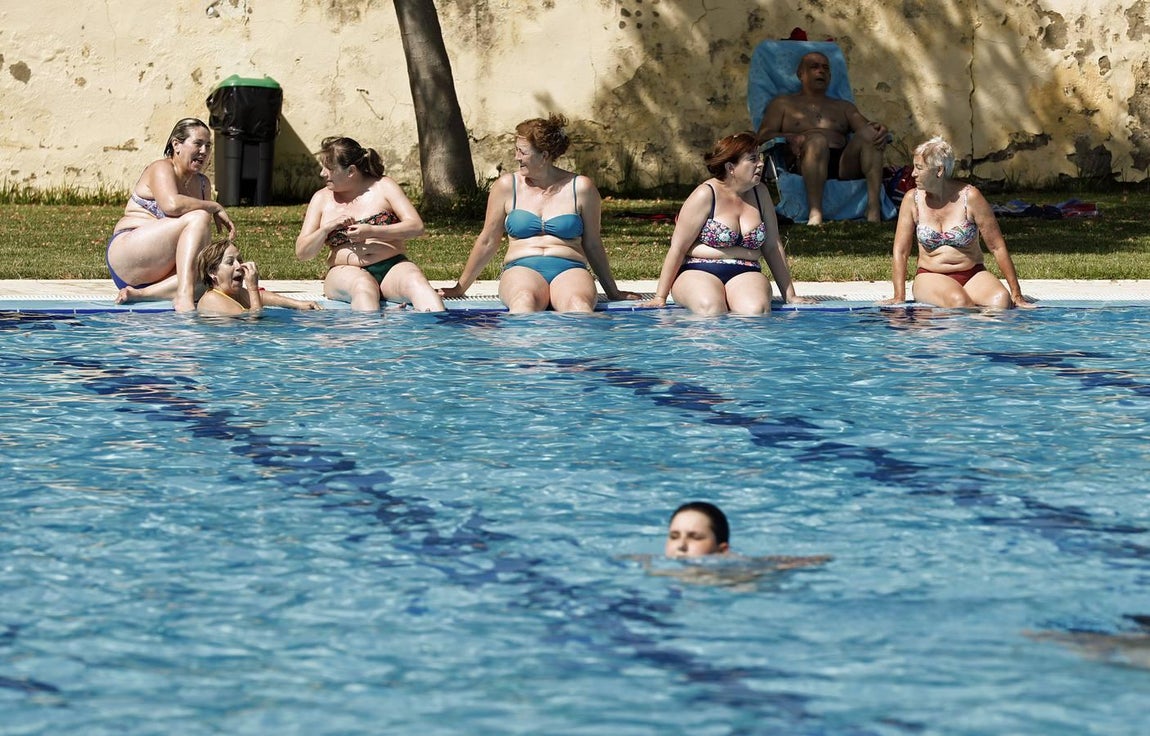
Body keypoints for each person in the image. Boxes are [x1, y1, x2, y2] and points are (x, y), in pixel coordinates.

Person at [439, 114, 640, 313]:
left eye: (522, 152)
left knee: (578, 306)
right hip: (521, 269)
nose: (516, 157)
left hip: (570, 269)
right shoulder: (507, 186)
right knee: (524, 302)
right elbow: (488, 241)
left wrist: (613, 292)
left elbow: (593, 244)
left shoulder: (581, 188)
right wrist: (460, 287)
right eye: (516, 150)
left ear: (544, 155)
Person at [641, 132, 808, 315]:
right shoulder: (705, 194)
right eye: (752, 159)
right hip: (698, 270)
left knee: (755, 311)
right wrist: (660, 297)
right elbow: (678, 248)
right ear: (731, 167)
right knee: (711, 308)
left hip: (746, 271)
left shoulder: (761, 194)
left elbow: (772, 246)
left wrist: (790, 295)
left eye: (759, 158)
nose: (760, 163)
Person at [879, 137, 1033, 310]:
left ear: (939, 171)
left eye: (919, 168)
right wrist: (899, 296)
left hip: (972, 274)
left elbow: (997, 247)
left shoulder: (970, 197)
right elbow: (901, 251)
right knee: (960, 303)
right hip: (931, 275)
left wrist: (1016, 294)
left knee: (1001, 302)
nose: (913, 173)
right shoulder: (912, 200)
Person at [295, 136, 444, 312]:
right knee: (363, 287)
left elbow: (416, 227)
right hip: (346, 272)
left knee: (417, 282)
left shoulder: (384, 186)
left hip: (392, 267)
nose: (322, 173)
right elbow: (302, 253)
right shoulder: (321, 199)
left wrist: (372, 231)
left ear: (351, 171)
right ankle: (369, 336)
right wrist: (327, 228)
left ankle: (439, 334)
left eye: (329, 168)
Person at [108, 117, 236, 312]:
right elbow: (171, 205)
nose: (204, 151)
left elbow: (196, 244)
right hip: (130, 256)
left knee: (213, 277)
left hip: (164, 279)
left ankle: (142, 294)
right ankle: (184, 295)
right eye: (198, 144)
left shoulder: (202, 184)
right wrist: (214, 206)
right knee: (200, 216)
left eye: (208, 146)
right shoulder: (161, 168)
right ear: (176, 145)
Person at [754, 51, 888, 225]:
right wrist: (790, 137)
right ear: (800, 74)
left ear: (830, 76)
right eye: (814, 67)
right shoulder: (783, 104)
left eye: (825, 68)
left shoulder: (843, 106)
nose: (821, 71)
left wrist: (880, 128)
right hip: (805, 161)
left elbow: (866, 128)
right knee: (817, 140)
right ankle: (815, 213)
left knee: (871, 134)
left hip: (843, 164)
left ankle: (873, 208)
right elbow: (763, 136)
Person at [195, 238, 321, 316]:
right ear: (212, 272)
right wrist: (253, 288)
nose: (239, 266)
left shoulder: (232, 294)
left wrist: (298, 304)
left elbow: (262, 297)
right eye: (230, 262)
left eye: (239, 260)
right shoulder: (212, 299)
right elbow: (254, 322)